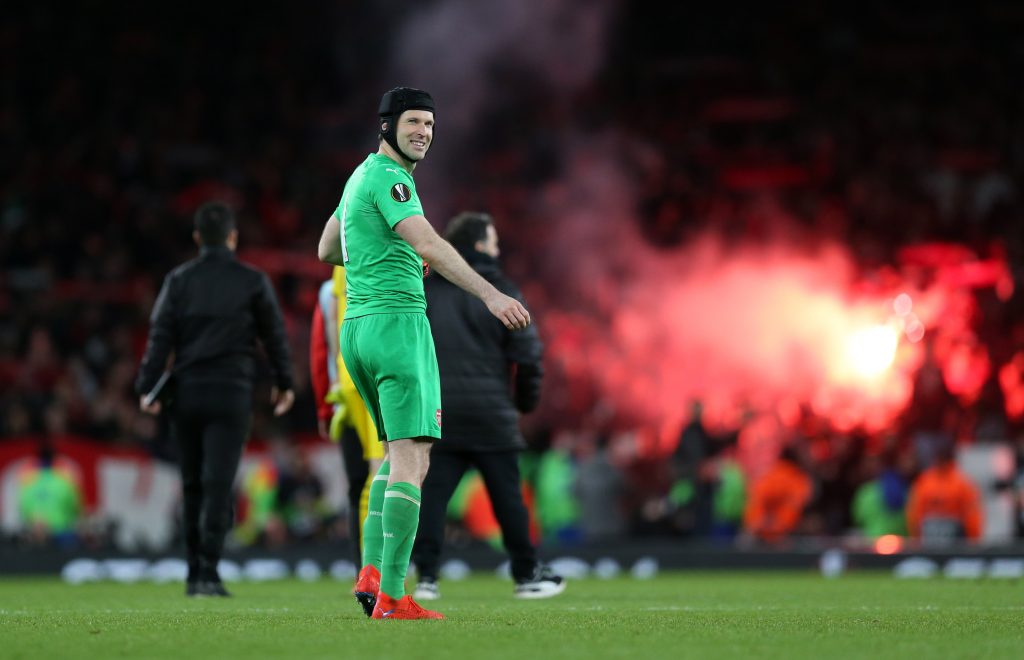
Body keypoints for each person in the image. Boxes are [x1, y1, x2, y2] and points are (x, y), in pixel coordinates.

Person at [317, 87, 530, 621]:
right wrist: (492, 294)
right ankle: (391, 594)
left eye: (431, 125)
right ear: (387, 125)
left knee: (393, 454)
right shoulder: (391, 179)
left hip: (358, 329)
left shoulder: (358, 177)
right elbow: (429, 242)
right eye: (414, 122)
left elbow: (326, 249)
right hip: (397, 325)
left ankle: (369, 572)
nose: (424, 132)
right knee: (414, 459)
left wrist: (380, 254)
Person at [135, 201, 295, 597]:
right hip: (231, 394)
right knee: (219, 484)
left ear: (196, 238)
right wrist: (284, 381)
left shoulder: (179, 280)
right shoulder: (253, 281)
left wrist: (146, 385)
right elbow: (274, 334)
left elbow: (160, 336)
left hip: (186, 394)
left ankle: (193, 573)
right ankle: (209, 570)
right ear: (232, 237)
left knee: (191, 483)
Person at [409, 212, 564, 601]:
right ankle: (526, 574)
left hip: (440, 412)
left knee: (432, 497)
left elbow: (409, 350)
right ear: (479, 245)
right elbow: (528, 355)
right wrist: (522, 404)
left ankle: (426, 577)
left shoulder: (426, 289)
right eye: (493, 241)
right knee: (508, 498)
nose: (497, 248)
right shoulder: (503, 289)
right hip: (492, 414)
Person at [308, 271, 384, 567]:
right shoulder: (385, 264)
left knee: (359, 484)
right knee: (385, 473)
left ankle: (363, 568)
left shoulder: (329, 289)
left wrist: (325, 405)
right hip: (373, 382)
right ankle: (377, 570)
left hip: (344, 389)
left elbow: (321, 350)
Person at [906, 441, 983, 544]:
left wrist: (972, 539)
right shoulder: (924, 481)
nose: (940, 461)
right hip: (928, 540)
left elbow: (972, 513)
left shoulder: (962, 483)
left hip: (955, 541)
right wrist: (916, 537)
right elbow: (914, 512)